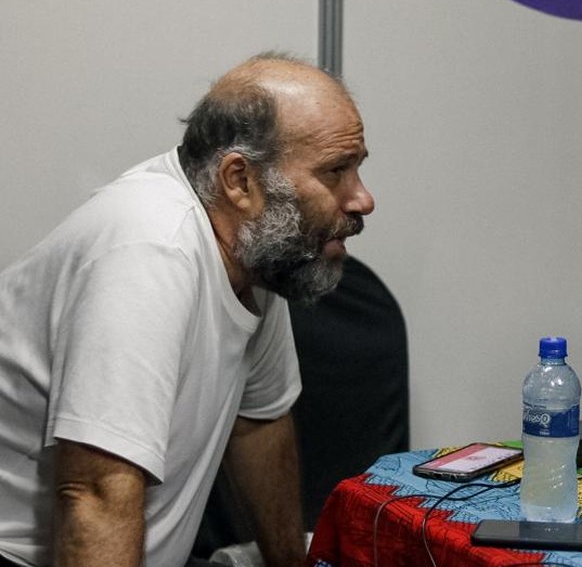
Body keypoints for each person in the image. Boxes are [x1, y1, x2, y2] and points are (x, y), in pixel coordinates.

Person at [0, 52, 376, 567]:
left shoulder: (254, 249)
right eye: (336, 172)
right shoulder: (150, 248)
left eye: (357, 168)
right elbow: (94, 496)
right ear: (240, 181)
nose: (362, 199)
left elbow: (259, 423)